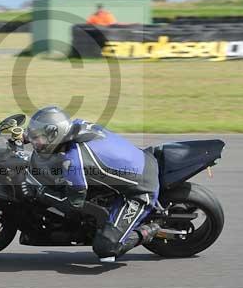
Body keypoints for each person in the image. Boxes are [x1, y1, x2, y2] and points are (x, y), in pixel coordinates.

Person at [21, 106, 160, 263]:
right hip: (140, 158)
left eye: (38, 138)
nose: (35, 142)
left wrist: (41, 191)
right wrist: (27, 136)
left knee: (106, 248)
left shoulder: (74, 163)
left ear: (55, 135)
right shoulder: (76, 126)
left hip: (141, 189)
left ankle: (148, 231)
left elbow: (74, 203)